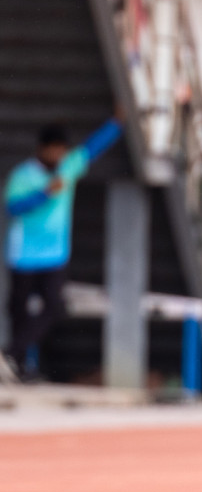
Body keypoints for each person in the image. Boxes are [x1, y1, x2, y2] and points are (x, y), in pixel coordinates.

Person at [4, 118, 121, 381]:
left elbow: (92, 148)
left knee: (54, 307)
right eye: (54, 150)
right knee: (18, 311)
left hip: (55, 254)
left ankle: (12, 353)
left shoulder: (68, 167)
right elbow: (12, 208)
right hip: (23, 254)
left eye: (62, 150)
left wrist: (118, 123)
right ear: (41, 149)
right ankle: (19, 366)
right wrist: (44, 193)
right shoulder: (24, 175)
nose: (59, 155)